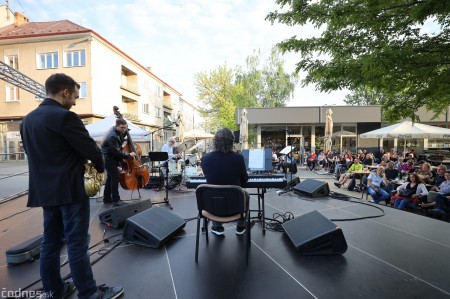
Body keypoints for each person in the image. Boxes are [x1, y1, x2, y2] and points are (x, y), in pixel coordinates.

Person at [20, 73, 124, 299]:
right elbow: (92, 151)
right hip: (70, 190)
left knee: (50, 243)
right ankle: (89, 293)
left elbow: (33, 155)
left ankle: (54, 291)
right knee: (77, 244)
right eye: (75, 96)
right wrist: (98, 168)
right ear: (64, 92)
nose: (75, 102)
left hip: (45, 192)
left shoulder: (27, 120)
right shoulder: (65, 117)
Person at [201, 128, 249, 235]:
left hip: (213, 207)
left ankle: (217, 226)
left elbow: (211, 177)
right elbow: (245, 180)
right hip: (235, 207)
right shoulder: (238, 158)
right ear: (232, 142)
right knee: (245, 195)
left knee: (214, 193)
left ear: (215, 141)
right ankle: (241, 226)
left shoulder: (205, 158)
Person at [101, 118, 136, 206]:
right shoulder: (112, 136)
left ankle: (107, 198)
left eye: (125, 127)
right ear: (116, 126)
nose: (124, 129)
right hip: (109, 159)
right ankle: (116, 200)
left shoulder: (117, 132)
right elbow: (117, 152)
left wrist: (127, 138)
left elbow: (121, 138)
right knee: (115, 178)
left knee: (110, 178)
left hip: (110, 158)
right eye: (122, 127)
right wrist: (129, 155)